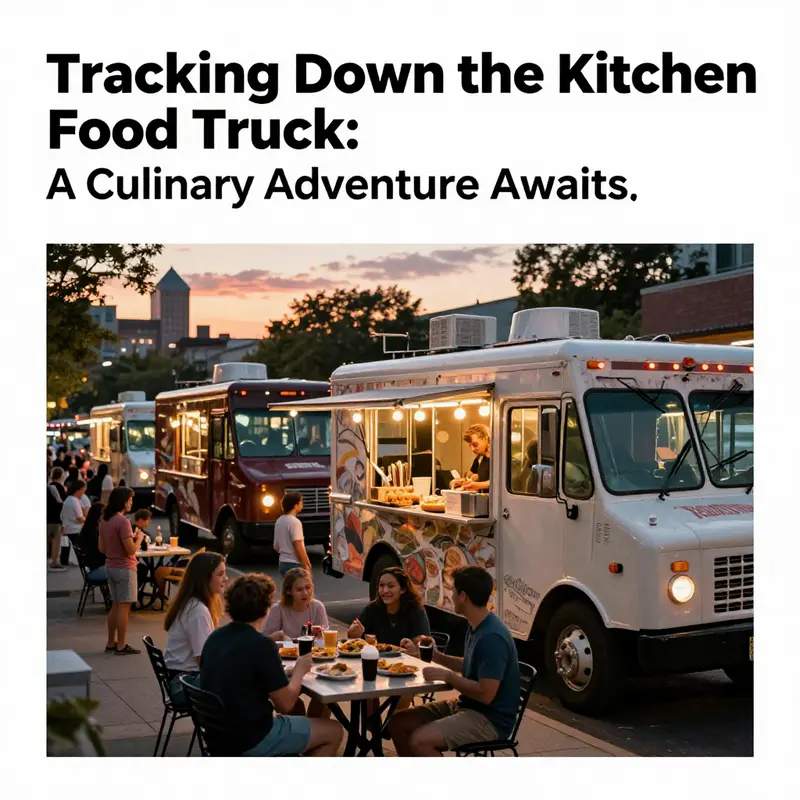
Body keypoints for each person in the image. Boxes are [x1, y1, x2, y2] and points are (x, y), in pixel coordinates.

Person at [199, 573, 343, 756]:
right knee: (334, 731)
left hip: (218, 737)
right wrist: (299, 670)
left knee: (307, 722)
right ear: (266, 608)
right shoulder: (261, 645)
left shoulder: (215, 637)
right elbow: (286, 705)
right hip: (252, 738)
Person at [389, 566, 520, 757]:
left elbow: (486, 694)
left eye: (453, 591)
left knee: (420, 741)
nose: (450, 596)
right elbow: (471, 665)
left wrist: (449, 677)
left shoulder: (492, 637)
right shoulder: (476, 625)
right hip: (467, 706)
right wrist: (437, 656)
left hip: (489, 720)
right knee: (398, 722)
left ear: (464, 596)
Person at [163, 552, 227, 706]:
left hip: (181, 678)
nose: (225, 579)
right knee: (241, 685)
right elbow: (204, 660)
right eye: (220, 574)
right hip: (183, 684)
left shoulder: (191, 603)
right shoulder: (198, 611)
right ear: (204, 579)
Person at [98, 486, 143, 655]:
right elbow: (130, 550)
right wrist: (138, 538)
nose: (131, 502)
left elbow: (101, 548)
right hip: (125, 568)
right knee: (124, 608)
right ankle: (122, 645)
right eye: (130, 499)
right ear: (123, 501)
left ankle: (111, 641)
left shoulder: (104, 520)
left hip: (110, 566)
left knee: (115, 606)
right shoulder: (123, 522)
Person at [347, 566, 430, 646]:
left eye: (391, 586)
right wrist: (352, 634)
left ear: (403, 589)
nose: (385, 591)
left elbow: (426, 645)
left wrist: (415, 649)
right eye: (381, 585)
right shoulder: (373, 608)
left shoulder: (415, 611)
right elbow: (355, 641)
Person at [263, 568, 329, 642]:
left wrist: (321, 634)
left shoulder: (318, 607)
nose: (305, 593)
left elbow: (324, 639)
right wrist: (277, 637)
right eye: (299, 590)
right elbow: (265, 641)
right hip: (285, 652)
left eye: (308, 588)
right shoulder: (278, 609)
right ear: (288, 591)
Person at [273, 491, 311, 576]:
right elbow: (298, 544)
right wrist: (305, 563)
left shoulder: (279, 521)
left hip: (282, 562)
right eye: (301, 502)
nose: (302, 505)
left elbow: (276, 546)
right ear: (295, 506)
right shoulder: (295, 522)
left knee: (287, 588)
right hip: (295, 564)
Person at [451, 424, 491, 492]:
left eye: (475, 445)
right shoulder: (480, 458)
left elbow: (499, 482)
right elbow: (471, 477)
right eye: (470, 445)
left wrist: (477, 485)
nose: (472, 449)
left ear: (486, 438)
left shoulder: (499, 458)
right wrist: (462, 482)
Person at [78, 502, 107, 580]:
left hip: (92, 567)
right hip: (96, 568)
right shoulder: (93, 532)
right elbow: (100, 552)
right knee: (129, 570)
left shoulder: (89, 529)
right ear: (98, 515)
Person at [47, 467, 67, 571]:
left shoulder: (48, 487)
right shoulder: (60, 487)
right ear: (61, 475)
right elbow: (63, 504)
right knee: (55, 541)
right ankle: (54, 562)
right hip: (56, 518)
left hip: (47, 517)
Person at [60, 479, 87, 548]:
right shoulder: (74, 501)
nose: (83, 493)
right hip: (75, 531)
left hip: (67, 530)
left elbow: (62, 516)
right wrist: (87, 522)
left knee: (65, 553)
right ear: (78, 490)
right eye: (83, 490)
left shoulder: (67, 499)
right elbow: (79, 517)